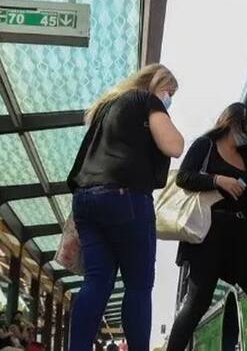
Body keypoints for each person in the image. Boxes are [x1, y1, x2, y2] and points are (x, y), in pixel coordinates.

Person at [67, 64, 185, 351]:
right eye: (170, 91)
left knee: (97, 281)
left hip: (86, 201)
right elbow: (174, 146)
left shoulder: (106, 108)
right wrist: (161, 109)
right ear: (158, 84)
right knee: (139, 285)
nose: (170, 98)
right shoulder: (146, 100)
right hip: (125, 198)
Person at [167, 103, 247, 351]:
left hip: (238, 239)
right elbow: (183, 177)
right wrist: (217, 180)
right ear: (232, 122)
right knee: (197, 304)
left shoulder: (244, 159)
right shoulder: (205, 145)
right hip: (207, 235)